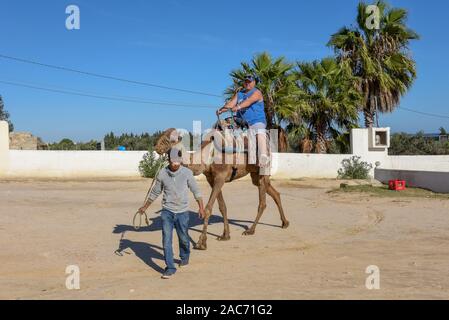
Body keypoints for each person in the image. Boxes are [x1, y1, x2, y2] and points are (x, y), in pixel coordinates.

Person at [137, 148, 205, 279]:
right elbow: (155, 192)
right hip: (167, 212)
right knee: (166, 240)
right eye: (173, 161)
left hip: (183, 212)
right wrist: (145, 207)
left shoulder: (187, 173)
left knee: (184, 239)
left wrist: (201, 208)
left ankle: (185, 256)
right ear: (168, 160)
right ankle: (170, 267)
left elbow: (196, 191)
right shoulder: (162, 173)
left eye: (177, 161)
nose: (175, 163)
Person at [217, 75, 270, 170]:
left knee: (259, 132)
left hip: (256, 121)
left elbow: (249, 101)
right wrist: (222, 109)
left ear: (254, 82)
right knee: (222, 127)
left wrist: (238, 107)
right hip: (240, 121)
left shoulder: (257, 92)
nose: (247, 83)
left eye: (249, 81)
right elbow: (231, 104)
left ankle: (263, 156)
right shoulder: (239, 94)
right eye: (246, 81)